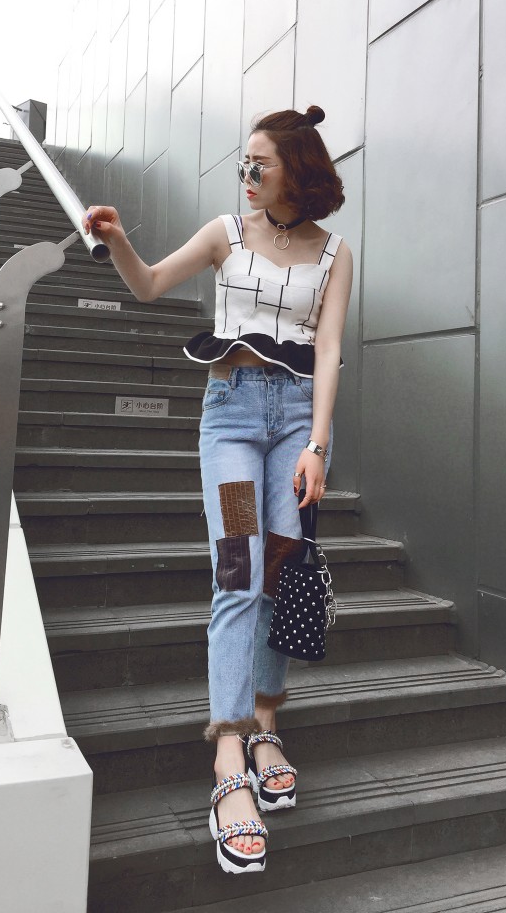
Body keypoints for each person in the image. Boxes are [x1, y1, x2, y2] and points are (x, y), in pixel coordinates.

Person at [82, 105, 352, 874]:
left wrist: (318, 446)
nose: (247, 173)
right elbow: (148, 285)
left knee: (278, 573)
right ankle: (228, 749)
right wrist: (119, 240)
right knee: (238, 568)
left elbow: (328, 350)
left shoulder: (335, 253)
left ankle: (267, 723)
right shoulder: (224, 234)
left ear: (297, 170)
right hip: (231, 419)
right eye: (244, 162)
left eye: (260, 163)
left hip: (295, 425)